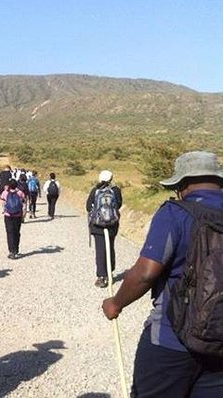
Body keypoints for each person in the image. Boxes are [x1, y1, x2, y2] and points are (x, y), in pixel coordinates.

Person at [102, 151, 223, 397]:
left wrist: (116, 303)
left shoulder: (174, 212)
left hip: (171, 340)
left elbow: (146, 273)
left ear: (183, 184)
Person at [86, 170, 123, 288]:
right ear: (111, 179)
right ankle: (110, 272)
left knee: (100, 250)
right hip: (112, 225)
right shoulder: (116, 190)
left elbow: (88, 206)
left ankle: (101, 277)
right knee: (110, 247)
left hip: (97, 226)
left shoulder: (95, 190)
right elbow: (119, 204)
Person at [0, 179, 26, 259]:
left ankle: (11, 251)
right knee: (17, 232)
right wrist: (23, 215)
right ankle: (16, 250)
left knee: (9, 233)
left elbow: (3, 203)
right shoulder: (20, 193)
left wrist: (4, 210)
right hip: (17, 215)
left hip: (8, 215)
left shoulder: (5, 193)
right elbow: (24, 204)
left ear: (9, 185)